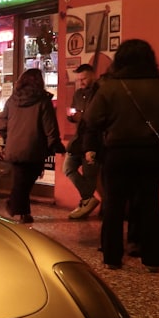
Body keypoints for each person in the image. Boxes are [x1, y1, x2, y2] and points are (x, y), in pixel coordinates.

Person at [83, 39, 159, 272]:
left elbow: (91, 119)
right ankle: (153, 260)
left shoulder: (109, 87)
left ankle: (112, 257)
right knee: (150, 204)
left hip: (117, 154)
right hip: (150, 155)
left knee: (114, 205)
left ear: (120, 60)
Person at [0, 67, 65, 223]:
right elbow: (50, 127)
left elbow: (1, 125)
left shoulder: (12, 100)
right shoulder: (43, 101)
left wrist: (10, 139)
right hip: (34, 149)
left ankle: (22, 211)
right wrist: (55, 144)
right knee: (24, 181)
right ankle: (16, 207)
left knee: (22, 180)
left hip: (14, 148)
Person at [64, 63, 102, 219]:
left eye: (84, 78)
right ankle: (88, 199)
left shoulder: (101, 92)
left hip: (94, 141)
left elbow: (98, 118)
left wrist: (83, 116)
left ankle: (86, 202)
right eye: (79, 79)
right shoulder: (78, 94)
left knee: (89, 175)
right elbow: (74, 111)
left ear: (92, 75)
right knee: (67, 168)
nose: (81, 82)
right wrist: (71, 116)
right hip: (78, 140)